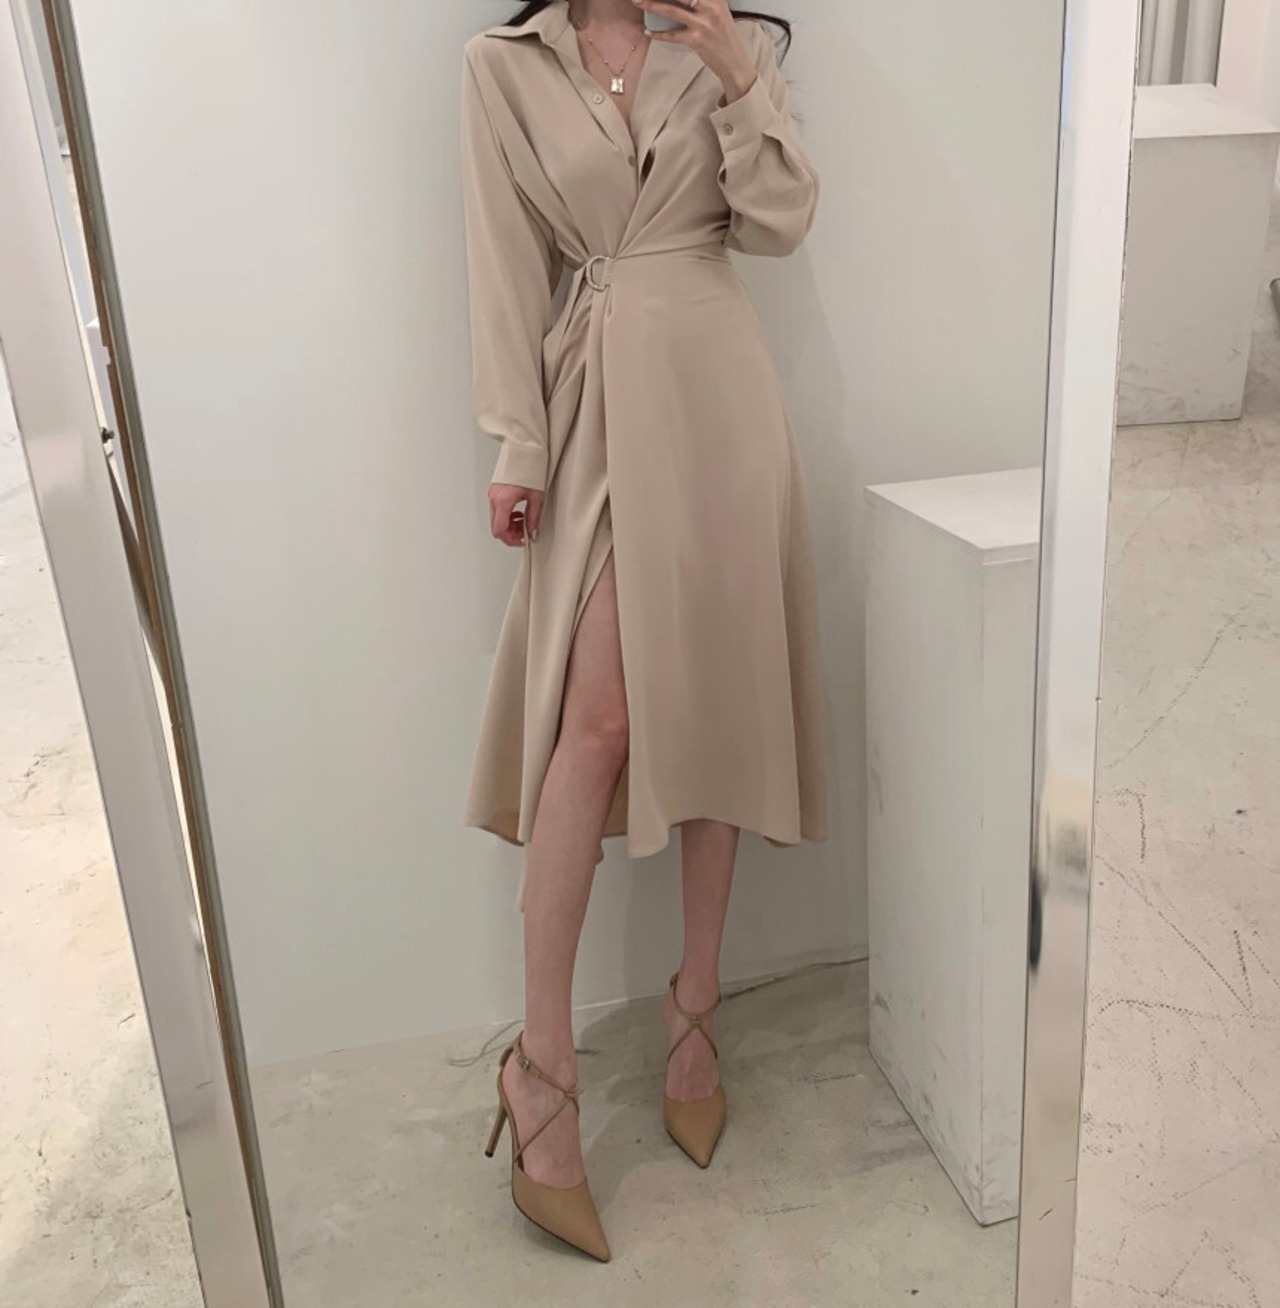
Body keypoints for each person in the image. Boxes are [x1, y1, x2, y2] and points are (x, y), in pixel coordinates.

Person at [460, 0, 828, 1260]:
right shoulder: (502, 67)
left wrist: (737, 73)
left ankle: (693, 1014)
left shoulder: (730, 45)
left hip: (721, 397)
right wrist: (515, 442)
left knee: (715, 701)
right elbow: (502, 260)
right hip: (600, 408)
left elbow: (777, 224)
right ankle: (540, 1069)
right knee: (600, 724)